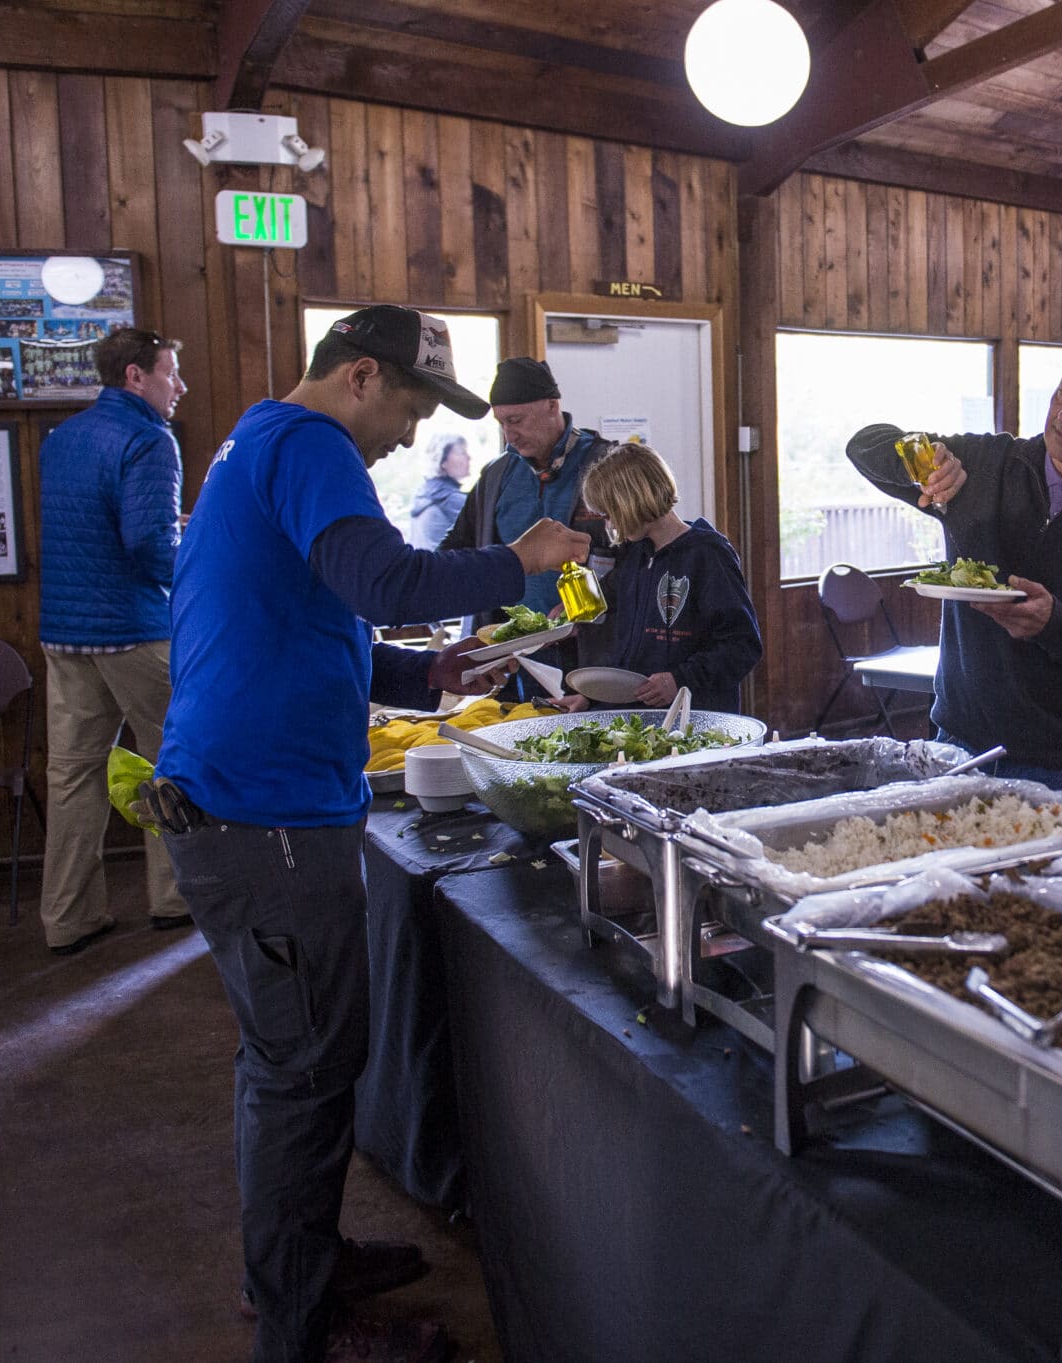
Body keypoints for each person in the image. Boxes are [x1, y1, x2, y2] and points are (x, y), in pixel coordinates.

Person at [149, 305, 592, 1363]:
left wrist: (419, 674)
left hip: (245, 797)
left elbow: (317, 615)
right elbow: (382, 581)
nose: (407, 432)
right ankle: (300, 1325)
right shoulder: (306, 443)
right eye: (408, 405)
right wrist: (516, 560)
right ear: (357, 375)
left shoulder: (254, 440)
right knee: (302, 1072)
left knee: (294, 1063)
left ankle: (302, 1262)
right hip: (268, 816)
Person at [845, 325, 1062, 791]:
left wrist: (1054, 624)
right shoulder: (986, 463)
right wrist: (925, 464)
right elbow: (864, 442)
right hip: (957, 746)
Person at [35, 326, 192, 954]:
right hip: (133, 631)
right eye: (170, 373)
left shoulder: (62, 438)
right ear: (136, 376)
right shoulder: (150, 439)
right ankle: (175, 899)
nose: (179, 386)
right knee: (171, 764)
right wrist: (198, 564)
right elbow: (149, 547)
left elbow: (97, 527)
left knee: (72, 777)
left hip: (65, 633)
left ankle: (68, 919)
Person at [551, 442, 762, 713]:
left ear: (632, 502)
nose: (610, 525)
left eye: (609, 514)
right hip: (639, 720)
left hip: (695, 722)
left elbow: (741, 646)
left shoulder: (708, 555)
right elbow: (624, 648)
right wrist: (592, 698)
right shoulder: (635, 556)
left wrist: (680, 680)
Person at [440, 357, 609, 681]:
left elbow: (639, 554)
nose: (510, 434)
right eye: (502, 423)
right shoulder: (497, 474)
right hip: (512, 654)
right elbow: (456, 547)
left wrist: (593, 601)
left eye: (516, 420)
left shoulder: (606, 463)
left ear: (551, 405)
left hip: (590, 650)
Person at [405, 435, 469, 550]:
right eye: (462, 453)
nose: (469, 457)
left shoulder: (423, 493)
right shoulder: (450, 498)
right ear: (442, 460)